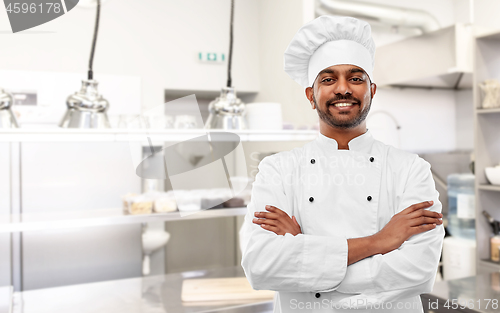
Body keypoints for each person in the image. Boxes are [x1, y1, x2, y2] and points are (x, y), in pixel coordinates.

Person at [239, 16, 445, 313]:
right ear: (311, 96)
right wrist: (379, 241)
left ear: (372, 90)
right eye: (328, 79)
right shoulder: (278, 170)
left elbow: (418, 273)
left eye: (356, 78)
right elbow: (260, 266)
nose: (343, 89)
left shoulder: (411, 170)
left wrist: (304, 251)